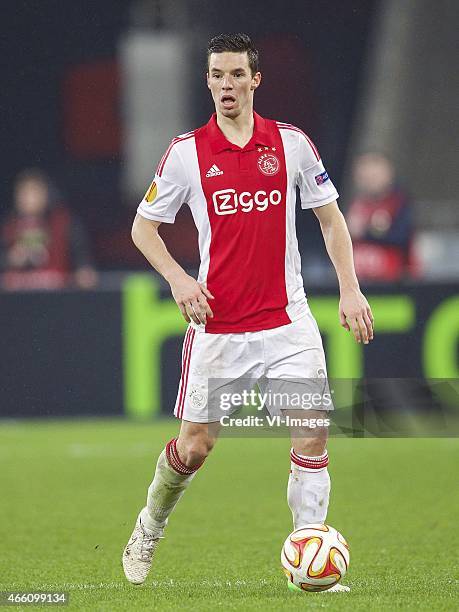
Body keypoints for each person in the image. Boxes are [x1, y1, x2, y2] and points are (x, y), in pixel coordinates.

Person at [123, 33, 374, 593]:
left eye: (236, 74)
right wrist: (179, 278)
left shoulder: (291, 144)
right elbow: (144, 228)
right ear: (207, 81)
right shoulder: (187, 152)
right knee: (195, 447)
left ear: (255, 80)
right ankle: (149, 524)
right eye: (216, 75)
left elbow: (331, 220)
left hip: (288, 322)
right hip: (219, 327)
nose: (226, 85)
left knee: (312, 434)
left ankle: (312, 555)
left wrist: (351, 290)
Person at [0, 168, 97, 290]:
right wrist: (10, 259)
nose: (30, 198)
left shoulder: (64, 223)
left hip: (54, 295)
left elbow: (82, 261)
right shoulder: (8, 226)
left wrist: (84, 272)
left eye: (35, 192)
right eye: (25, 193)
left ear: (45, 194)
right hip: (16, 298)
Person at [346, 152, 415, 282]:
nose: (369, 180)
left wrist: (368, 231)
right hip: (359, 282)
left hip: (394, 283)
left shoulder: (399, 203)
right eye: (364, 175)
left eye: (374, 175)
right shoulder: (355, 205)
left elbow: (401, 236)